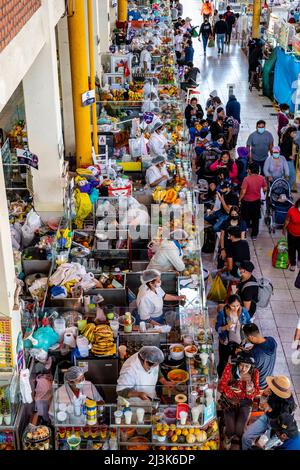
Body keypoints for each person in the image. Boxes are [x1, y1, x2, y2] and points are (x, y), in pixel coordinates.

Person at [242, 375, 297, 450]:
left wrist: (270, 409)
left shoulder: (287, 406)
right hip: (266, 417)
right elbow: (261, 405)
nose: (271, 388)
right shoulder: (273, 389)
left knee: (267, 447)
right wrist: (264, 394)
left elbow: (282, 425)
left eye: (273, 388)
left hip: (278, 427)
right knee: (246, 437)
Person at [218, 353, 260, 449]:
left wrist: (251, 391)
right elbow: (220, 387)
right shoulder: (230, 368)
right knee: (231, 429)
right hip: (229, 401)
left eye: (247, 366)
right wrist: (230, 389)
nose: (243, 369)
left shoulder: (255, 373)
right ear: (237, 363)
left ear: (251, 366)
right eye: (241, 365)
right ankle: (228, 437)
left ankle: (237, 438)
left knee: (239, 429)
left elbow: (257, 390)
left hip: (245, 402)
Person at [215, 296, 252, 378]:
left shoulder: (243, 311)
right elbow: (217, 328)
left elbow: (249, 323)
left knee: (237, 362)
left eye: (238, 305)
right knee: (223, 362)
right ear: (228, 304)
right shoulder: (223, 314)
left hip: (239, 343)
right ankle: (220, 377)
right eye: (233, 306)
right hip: (225, 342)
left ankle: (234, 379)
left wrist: (247, 328)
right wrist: (225, 327)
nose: (236, 308)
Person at [242, 324, 277, 390]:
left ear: (251, 337)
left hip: (259, 383)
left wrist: (241, 352)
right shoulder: (272, 340)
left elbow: (247, 368)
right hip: (268, 379)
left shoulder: (255, 354)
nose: (246, 339)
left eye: (247, 337)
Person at [239, 162, 267, 240]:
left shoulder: (246, 179)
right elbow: (265, 188)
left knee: (244, 217)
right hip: (256, 201)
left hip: (246, 201)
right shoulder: (261, 178)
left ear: (249, 170)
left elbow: (243, 191)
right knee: (255, 218)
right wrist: (262, 195)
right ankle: (254, 234)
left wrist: (239, 199)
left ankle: (244, 233)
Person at [283, 198, 300, 271]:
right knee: (291, 249)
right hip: (292, 234)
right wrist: (284, 229)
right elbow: (287, 220)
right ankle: (293, 264)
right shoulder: (292, 210)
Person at [280, 126, 297, 191]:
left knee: (287, 177)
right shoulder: (287, 140)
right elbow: (283, 152)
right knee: (292, 176)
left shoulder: (289, 139)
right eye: (294, 132)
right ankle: (286, 190)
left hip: (289, 161)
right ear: (289, 132)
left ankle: (285, 190)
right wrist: (289, 156)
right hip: (287, 161)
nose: (295, 134)